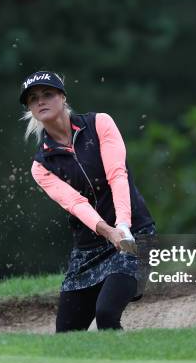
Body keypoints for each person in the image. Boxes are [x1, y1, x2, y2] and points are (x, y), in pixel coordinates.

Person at [20, 70, 156, 333]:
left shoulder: (99, 124)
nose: (40, 101)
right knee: (66, 334)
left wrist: (124, 227)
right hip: (89, 248)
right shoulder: (41, 165)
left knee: (106, 313)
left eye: (47, 94)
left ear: (62, 97)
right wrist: (108, 231)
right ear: (29, 109)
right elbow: (76, 203)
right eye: (33, 98)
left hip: (134, 233)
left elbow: (117, 175)